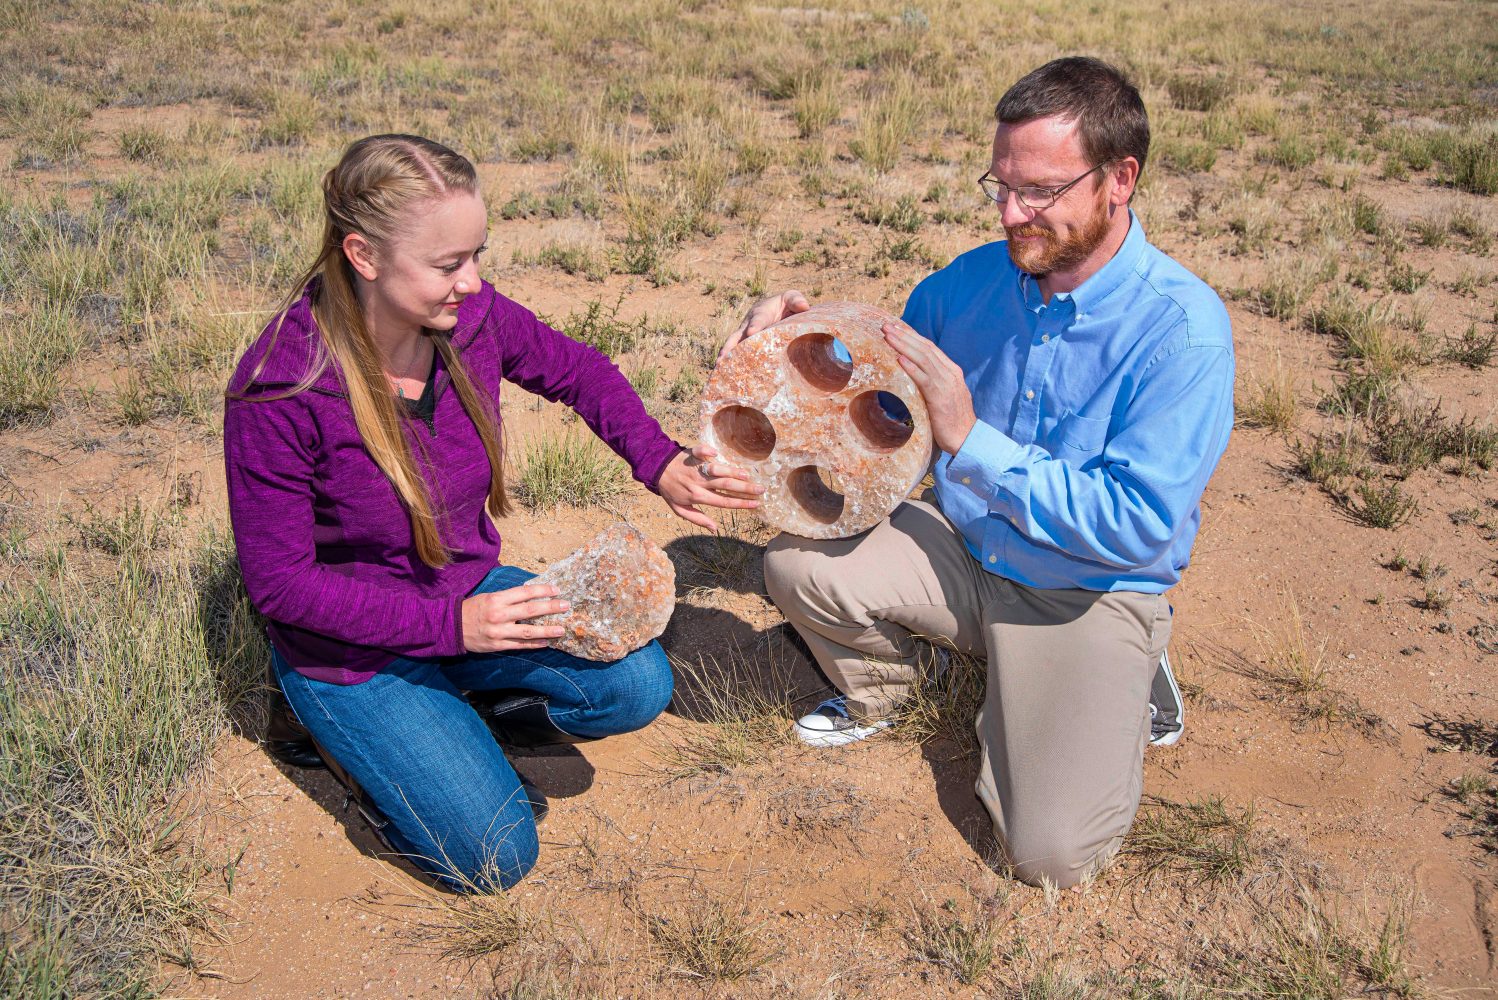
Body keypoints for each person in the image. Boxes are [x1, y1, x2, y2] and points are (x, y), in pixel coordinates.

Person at [721, 57, 1234, 889]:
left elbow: (1138, 520)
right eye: (998, 186)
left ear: (1120, 179)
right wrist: (800, 329)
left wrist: (973, 440)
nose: (1010, 214)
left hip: (1088, 589)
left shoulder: (1183, 334)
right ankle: (902, 683)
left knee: (1049, 857)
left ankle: (1128, 673)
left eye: (1038, 192)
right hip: (966, 552)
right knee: (796, 565)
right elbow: (882, 387)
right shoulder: (971, 281)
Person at [223, 134, 760, 893]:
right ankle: (331, 727)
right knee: (498, 854)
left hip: (465, 599)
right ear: (363, 256)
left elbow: (577, 369)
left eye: (478, 255)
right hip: (348, 652)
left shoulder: (468, 319)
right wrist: (452, 631)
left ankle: (451, 716)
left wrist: (659, 459)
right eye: (448, 265)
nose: (473, 283)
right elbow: (281, 587)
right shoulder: (281, 384)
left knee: (635, 685)